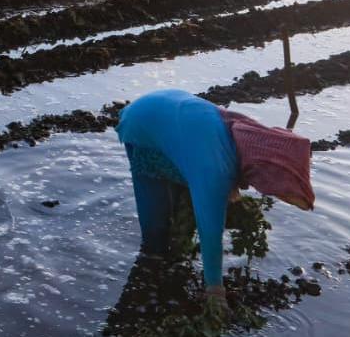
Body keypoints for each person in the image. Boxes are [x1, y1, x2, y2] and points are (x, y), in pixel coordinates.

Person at [117, 89, 315, 303]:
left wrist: (230, 184)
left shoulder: (246, 135)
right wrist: (215, 289)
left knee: (187, 186)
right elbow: (210, 229)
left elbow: (224, 155)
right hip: (141, 125)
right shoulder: (214, 169)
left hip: (170, 112)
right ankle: (149, 270)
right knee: (156, 229)